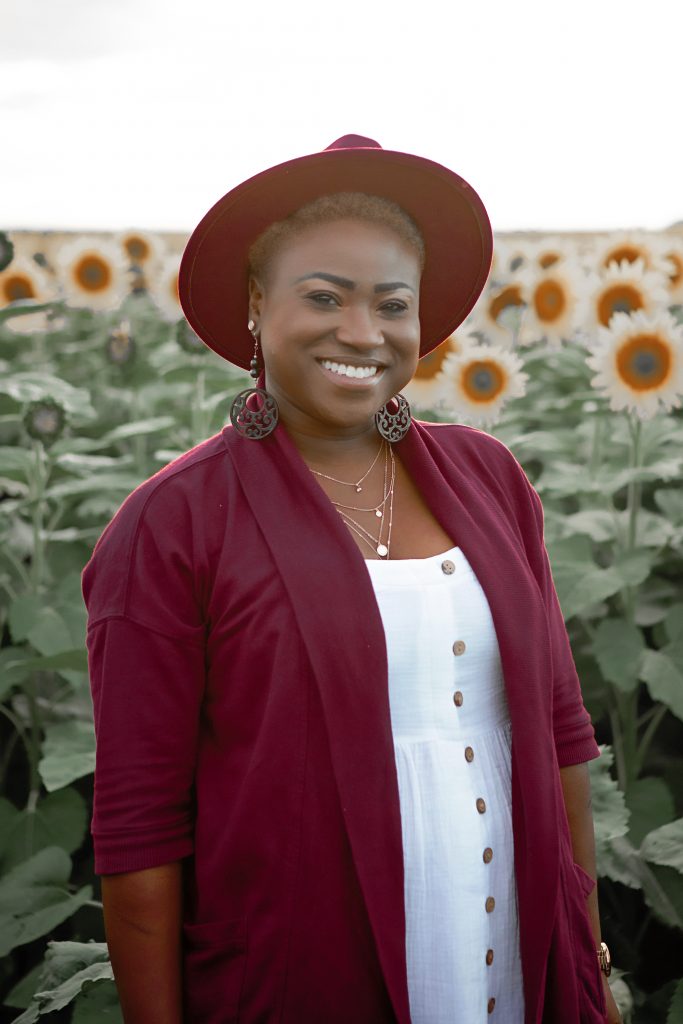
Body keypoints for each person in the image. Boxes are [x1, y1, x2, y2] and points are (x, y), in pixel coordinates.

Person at [82, 134, 621, 1023]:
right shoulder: (173, 524)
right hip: (302, 973)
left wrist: (586, 958)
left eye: (390, 303)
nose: (361, 333)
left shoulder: (489, 478)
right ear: (257, 303)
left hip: (519, 968)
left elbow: (561, 736)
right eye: (324, 297)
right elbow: (141, 832)